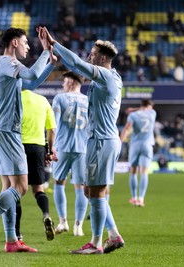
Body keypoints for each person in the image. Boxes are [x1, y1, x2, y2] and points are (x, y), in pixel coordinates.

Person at [0, 27, 56, 253]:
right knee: (22, 187)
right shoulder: (7, 62)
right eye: (26, 43)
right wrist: (45, 51)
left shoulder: (5, 68)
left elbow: (32, 84)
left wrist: (52, 64)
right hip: (8, 131)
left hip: (0, 130)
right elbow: (32, 74)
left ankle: (11, 240)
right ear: (14, 43)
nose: (28, 46)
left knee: (8, 186)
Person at [40, 27, 125, 254]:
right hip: (101, 140)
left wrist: (53, 44)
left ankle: (96, 243)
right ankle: (114, 235)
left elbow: (77, 64)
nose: (90, 56)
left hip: (101, 141)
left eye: (93, 53)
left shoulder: (106, 75)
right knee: (89, 190)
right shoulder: (114, 77)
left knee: (95, 193)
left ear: (103, 58)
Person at [16, 87, 58, 242]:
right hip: (38, 147)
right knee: (38, 189)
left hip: (19, 146)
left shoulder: (15, 98)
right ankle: (46, 214)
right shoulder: (43, 100)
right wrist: (49, 150)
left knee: (16, 191)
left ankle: (17, 233)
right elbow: (52, 130)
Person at [51, 71, 89, 237]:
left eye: (65, 81)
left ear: (72, 82)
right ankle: (78, 226)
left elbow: (54, 124)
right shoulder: (89, 101)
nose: (63, 84)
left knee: (59, 183)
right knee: (80, 187)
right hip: (82, 148)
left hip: (62, 147)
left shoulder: (60, 98)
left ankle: (62, 221)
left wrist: (50, 147)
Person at [120, 99, 156, 207]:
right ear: (149, 106)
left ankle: (134, 197)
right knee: (144, 172)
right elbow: (147, 109)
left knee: (133, 171)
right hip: (147, 145)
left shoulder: (133, 115)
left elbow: (127, 129)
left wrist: (120, 142)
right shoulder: (153, 113)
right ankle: (141, 199)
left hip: (135, 144)